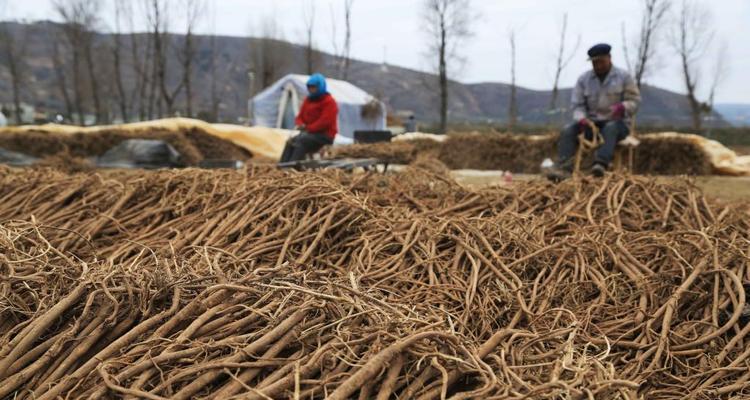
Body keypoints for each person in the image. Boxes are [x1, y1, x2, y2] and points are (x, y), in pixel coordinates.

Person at [548, 43, 641, 180]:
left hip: (618, 125)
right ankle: (563, 168)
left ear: (609, 58)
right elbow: (577, 105)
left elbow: (635, 101)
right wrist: (581, 119)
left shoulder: (624, 77)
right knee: (568, 130)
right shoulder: (583, 80)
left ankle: (601, 164)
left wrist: (623, 107)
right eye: (595, 63)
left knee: (610, 128)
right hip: (592, 125)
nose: (598, 66)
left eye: (601, 62)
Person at [280, 73, 339, 163]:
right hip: (309, 133)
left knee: (301, 141)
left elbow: (324, 121)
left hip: (325, 135)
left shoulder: (329, 102)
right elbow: (300, 116)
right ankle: (282, 166)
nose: (311, 90)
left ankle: (292, 166)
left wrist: (308, 128)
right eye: (310, 87)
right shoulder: (308, 100)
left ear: (320, 87)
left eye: (314, 87)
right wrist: (300, 124)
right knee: (291, 141)